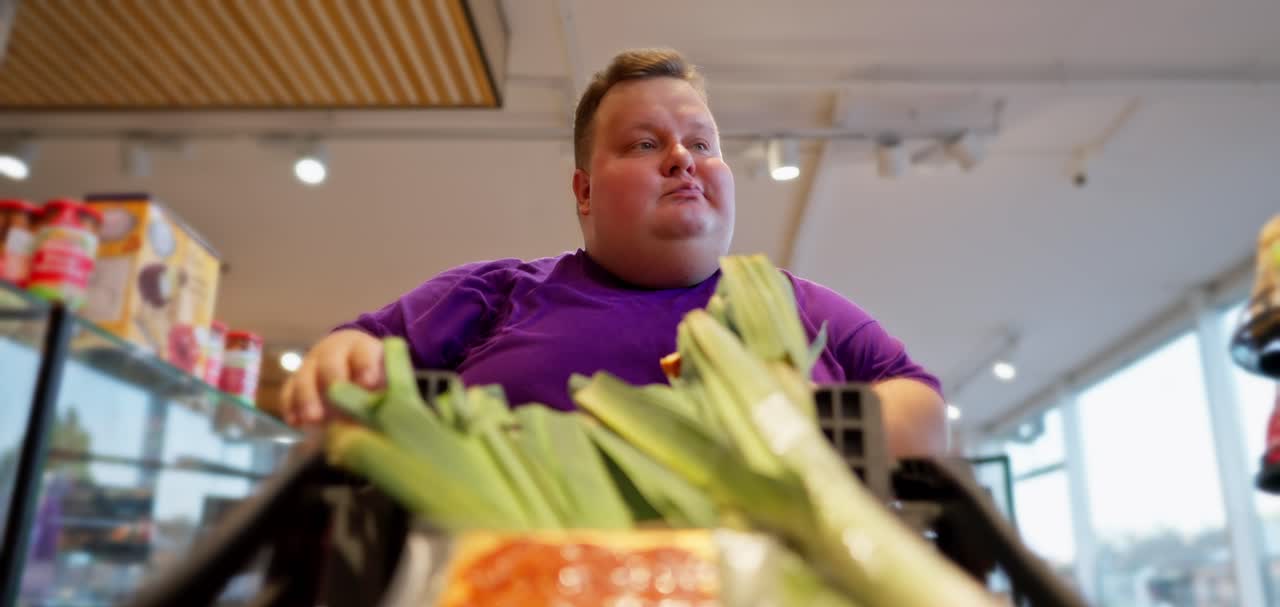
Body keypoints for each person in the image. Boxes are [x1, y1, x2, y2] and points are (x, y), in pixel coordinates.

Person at [281, 49, 947, 458]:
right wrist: (340, 362)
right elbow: (354, 351)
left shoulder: (801, 307)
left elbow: (923, 411)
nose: (684, 158)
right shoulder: (491, 294)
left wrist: (789, 418)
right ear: (585, 191)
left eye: (702, 143)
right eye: (645, 145)